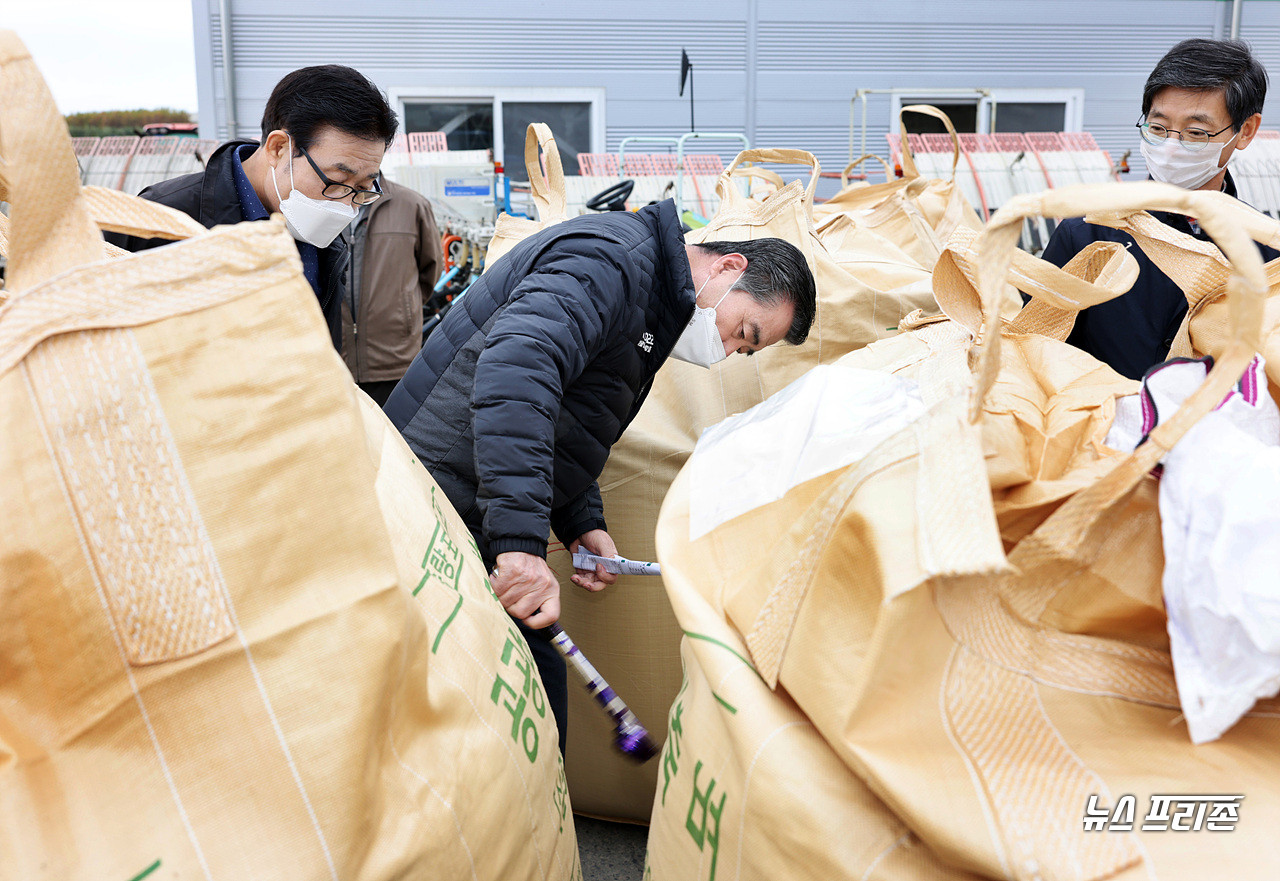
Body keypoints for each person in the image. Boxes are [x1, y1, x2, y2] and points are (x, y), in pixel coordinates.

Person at [383, 200, 816, 752]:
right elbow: (518, 377)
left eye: (743, 350)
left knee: (525, 697)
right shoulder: (609, 262)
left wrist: (580, 518)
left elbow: (569, 414)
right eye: (742, 332)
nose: (726, 351)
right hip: (438, 495)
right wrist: (519, 544)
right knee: (511, 698)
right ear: (729, 268)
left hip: (476, 497)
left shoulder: (651, 300)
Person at [108, 65, 398, 351]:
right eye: (336, 181)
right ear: (278, 149)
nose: (346, 206)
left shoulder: (319, 221)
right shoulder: (161, 218)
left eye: (361, 189)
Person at [1043, 38, 1277, 380]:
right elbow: (1036, 344)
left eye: (1196, 132)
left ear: (1245, 131)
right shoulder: (1087, 231)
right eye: (1157, 127)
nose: (1170, 147)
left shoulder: (1266, 252)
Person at [341, 177, 442, 405]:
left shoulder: (411, 205)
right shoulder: (319, 202)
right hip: (334, 359)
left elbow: (430, 271)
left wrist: (403, 309)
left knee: (395, 435)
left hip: (393, 357)